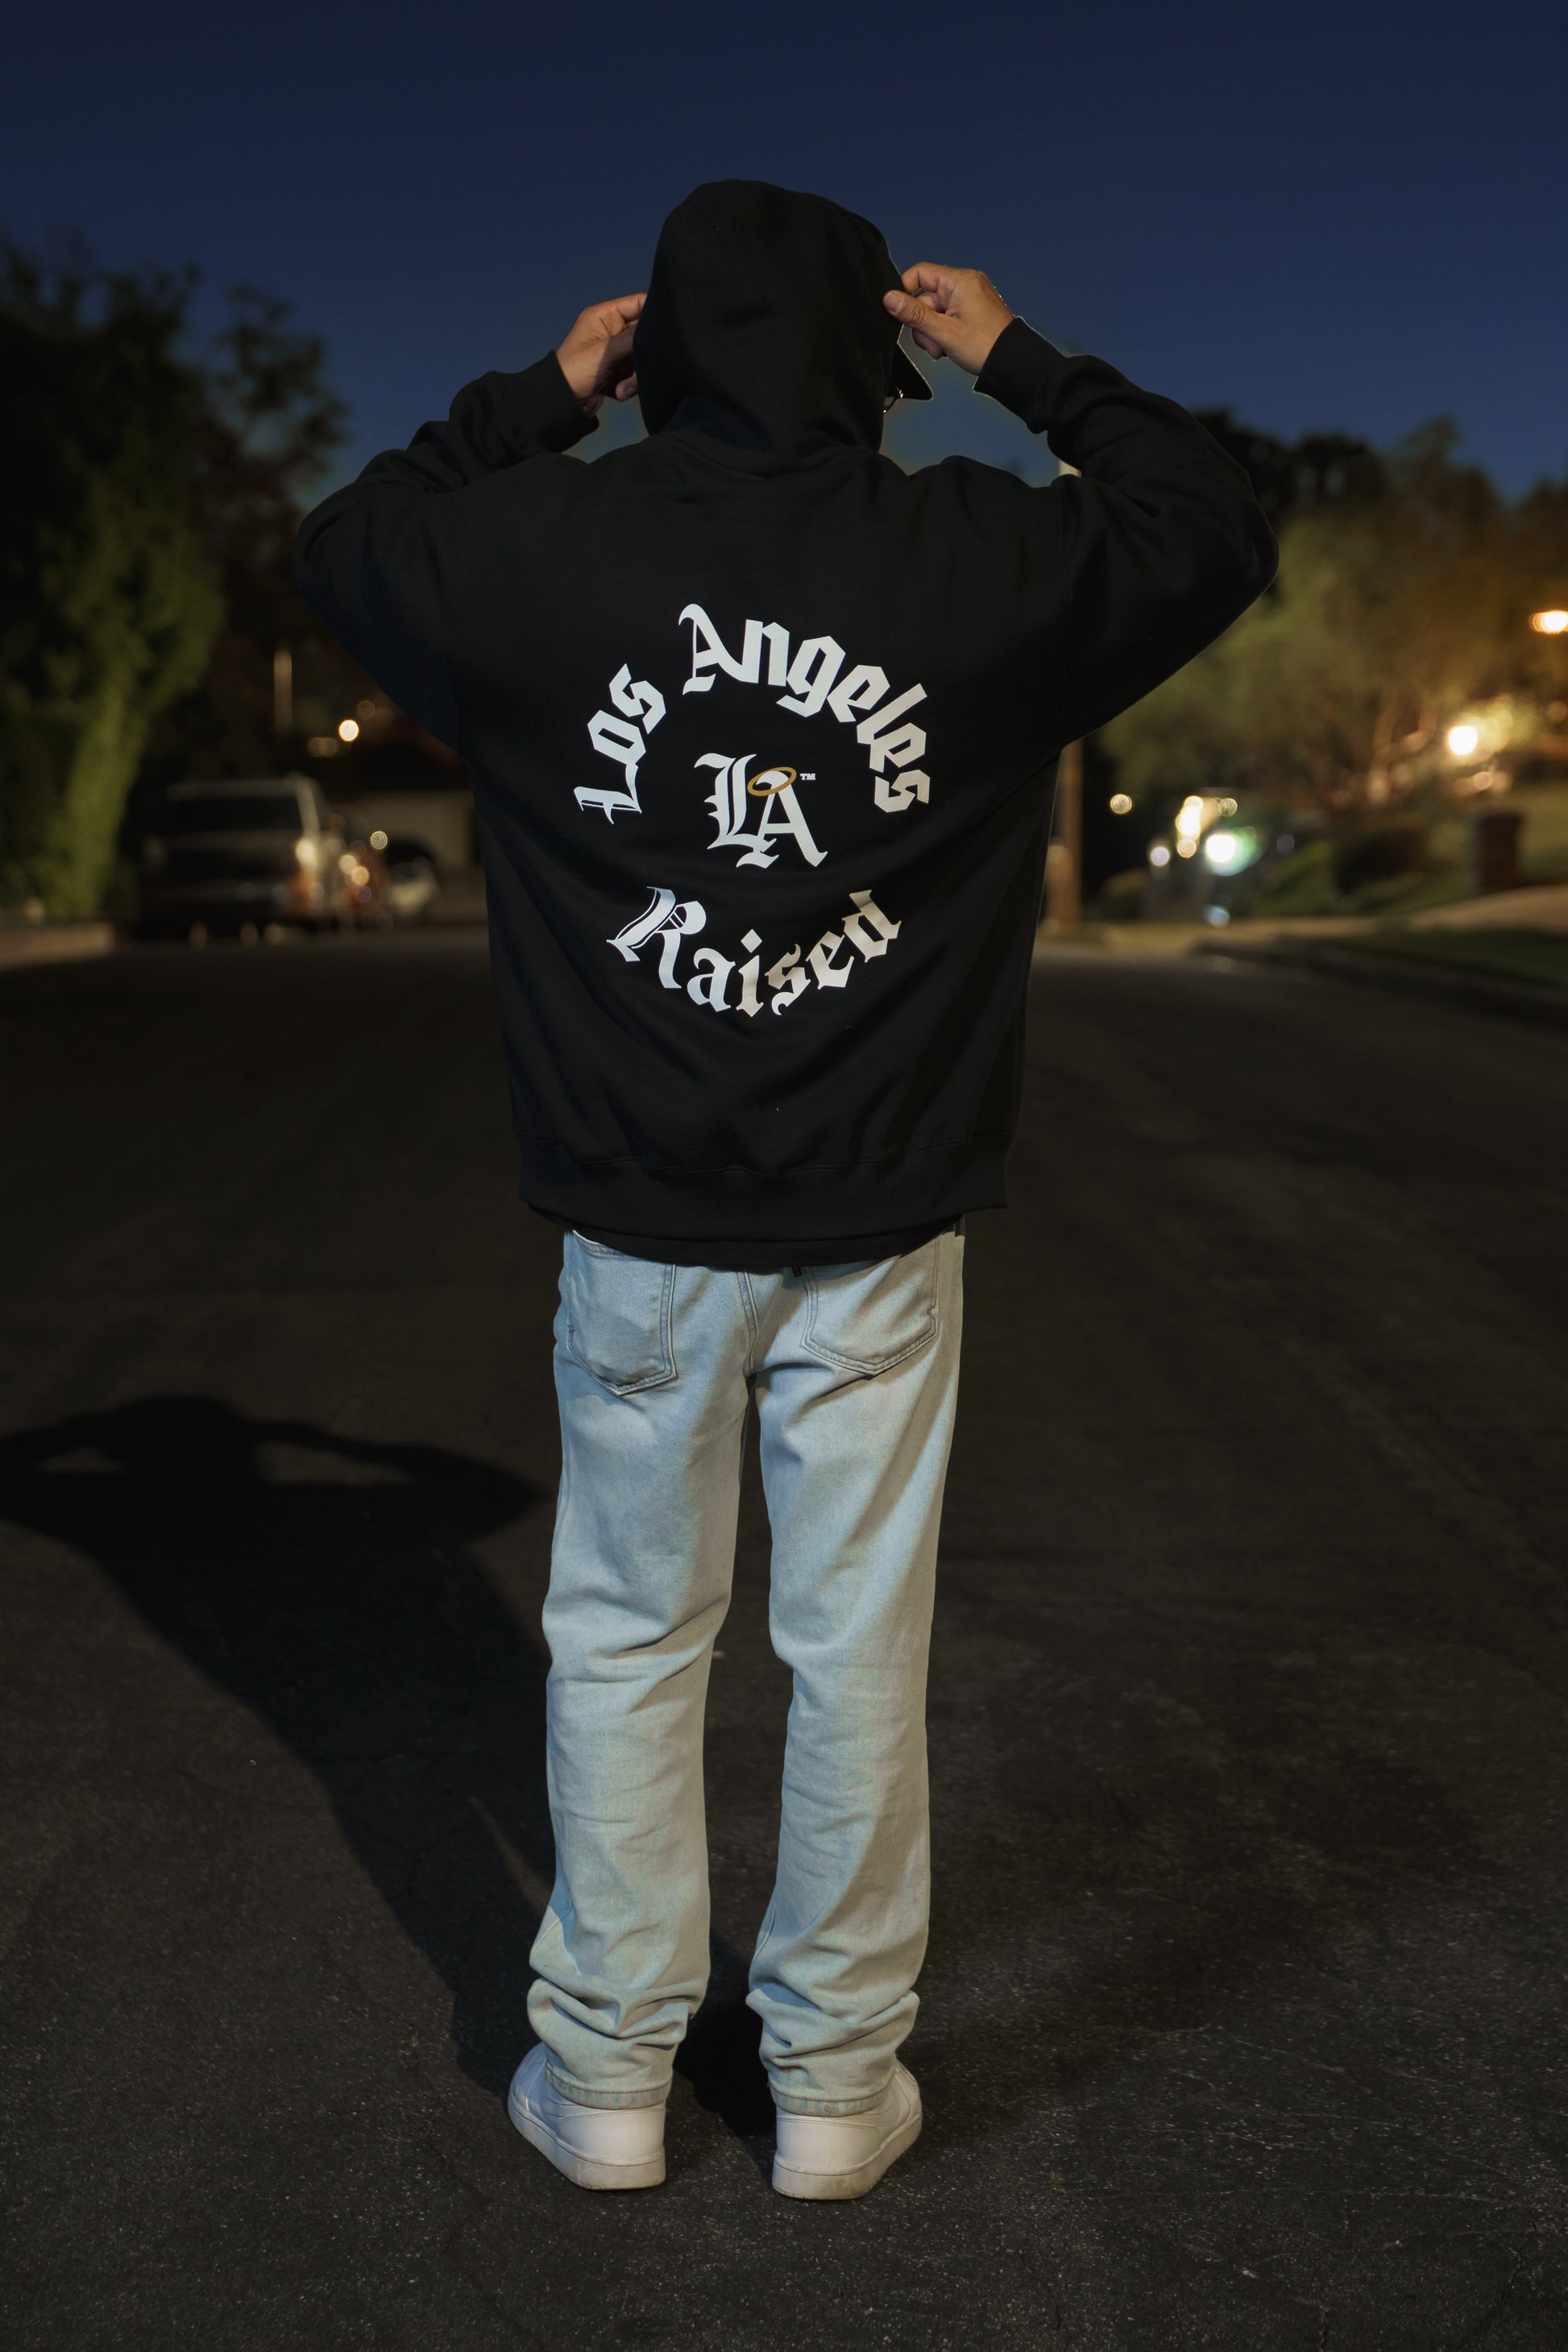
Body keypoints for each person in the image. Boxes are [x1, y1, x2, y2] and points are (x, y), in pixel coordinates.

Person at [296, 179, 1276, 2201]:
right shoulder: (977, 554)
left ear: (659, 347)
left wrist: (537, 399)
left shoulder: (535, 549)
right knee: (854, 1646)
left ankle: (608, 2074)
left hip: (640, 1218)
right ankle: (832, 2080)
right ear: (868, 353)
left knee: (626, 1638)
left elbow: (345, 543)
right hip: (880, 1219)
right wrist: (1019, 361)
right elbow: (1208, 521)